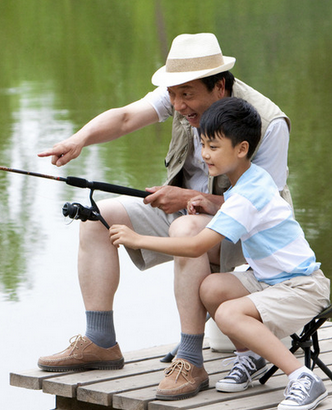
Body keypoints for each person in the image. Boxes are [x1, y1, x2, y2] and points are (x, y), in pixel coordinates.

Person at [37, 33, 292, 400]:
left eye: (186, 95)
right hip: (185, 214)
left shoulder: (269, 123)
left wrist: (187, 197)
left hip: (251, 233)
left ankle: (190, 360)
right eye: (173, 94)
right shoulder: (180, 96)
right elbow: (125, 118)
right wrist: (78, 140)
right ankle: (100, 341)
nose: (178, 104)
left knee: (187, 227)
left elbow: (263, 207)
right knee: (97, 216)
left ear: (219, 86)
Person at [109, 97, 330, 409]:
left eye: (213, 146)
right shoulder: (250, 180)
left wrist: (138, 238)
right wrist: (212, 203)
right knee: (211, 288)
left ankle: (303, 378)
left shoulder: (248, 191)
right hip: (271, 280)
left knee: (227, 312)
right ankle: (251, 356)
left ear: (241, 149)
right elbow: (242, 207)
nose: (204, 154)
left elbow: (196, 245)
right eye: (202, 144)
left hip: (303, 287)